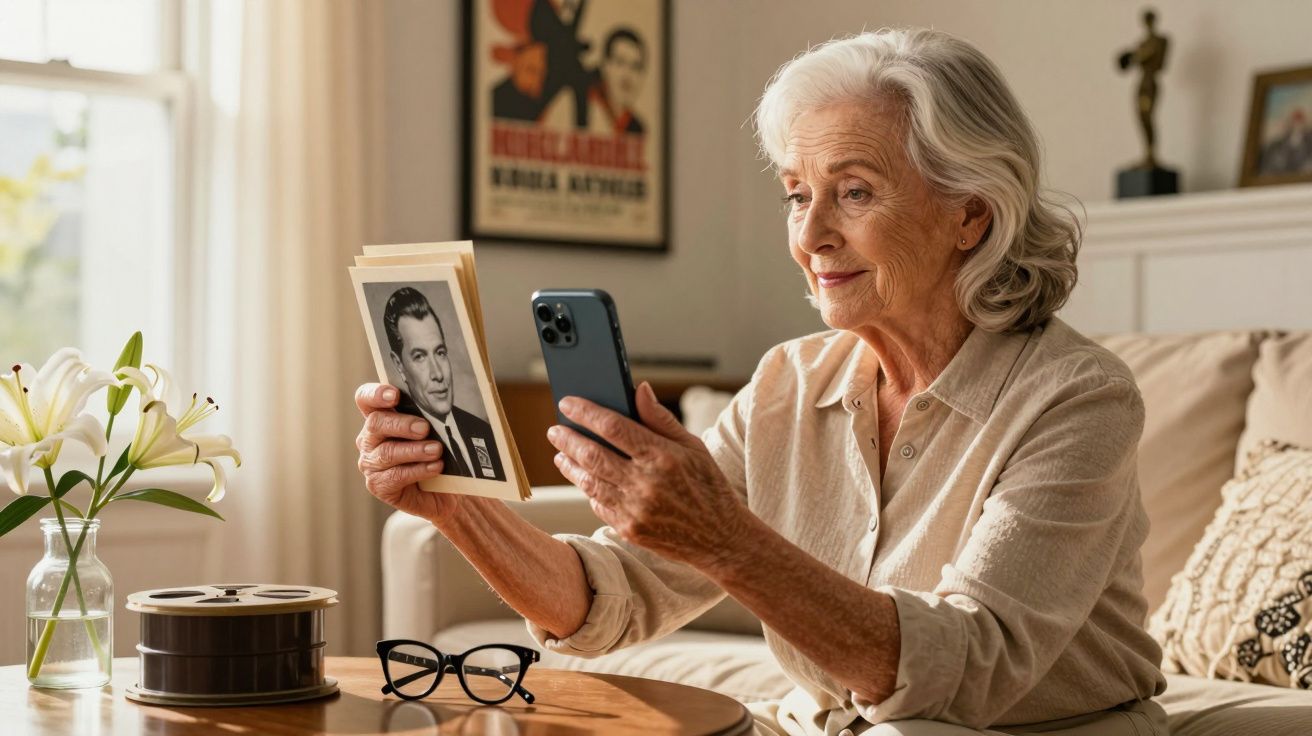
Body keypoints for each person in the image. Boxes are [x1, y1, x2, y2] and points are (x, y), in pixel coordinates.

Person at [356, 29, 1167, 736]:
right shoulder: (789, 380)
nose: (812, 234)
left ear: (972, 214)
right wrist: (458, 507)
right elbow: (612, 601)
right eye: (796, 194)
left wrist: (722, 537)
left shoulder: (1077, 399)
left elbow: (966, 672)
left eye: (854, 192)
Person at [380, 286, 504, 481]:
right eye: (420, 356)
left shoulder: (484, 431)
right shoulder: (401, 447)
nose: (438, 373)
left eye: (440, 353)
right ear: (399, 365)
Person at [589, 27, 647, 135]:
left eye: (635, 67)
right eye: (620, 62)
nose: (627, 74)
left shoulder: (636, 129)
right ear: (605, 66)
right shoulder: (585, 107)